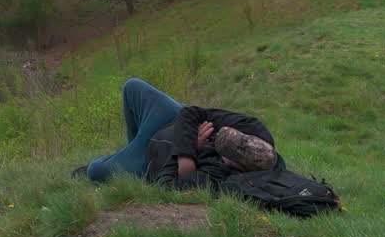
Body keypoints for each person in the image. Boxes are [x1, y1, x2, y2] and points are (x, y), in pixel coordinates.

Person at [77, 78, 282, 189]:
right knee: (132, 86)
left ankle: (131, 157)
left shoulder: (222, 180)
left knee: (94, 171)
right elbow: (192, 112)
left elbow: (166, 185)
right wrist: (187, 152)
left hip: (155, 154)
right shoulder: (253, 127)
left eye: (225, 154)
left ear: (238, 167)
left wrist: (192, 151)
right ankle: (130, 149)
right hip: (173, 118)